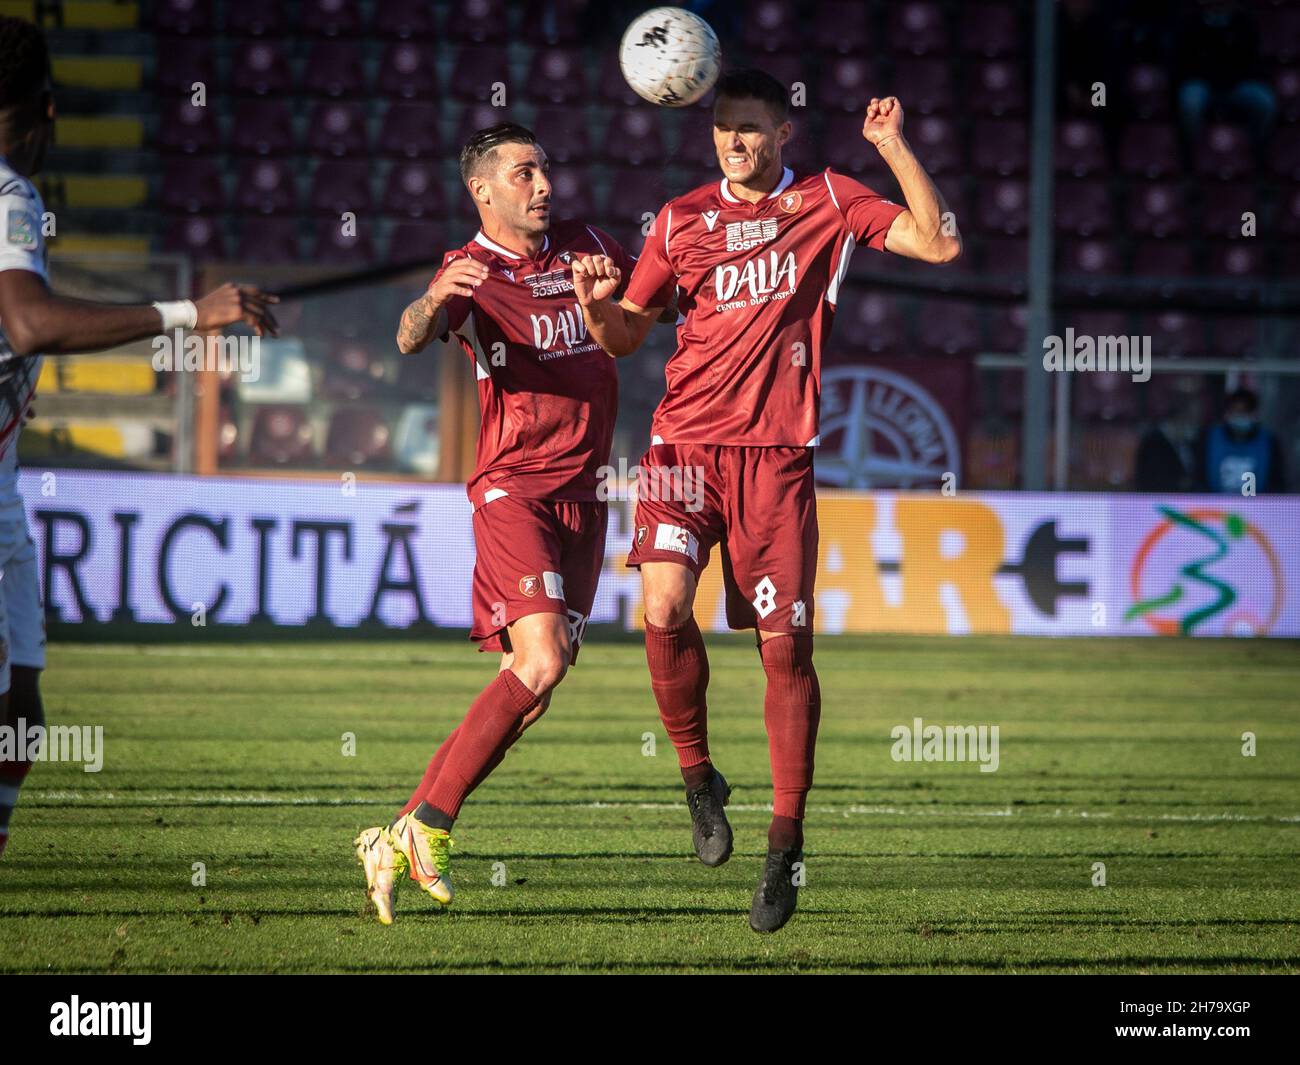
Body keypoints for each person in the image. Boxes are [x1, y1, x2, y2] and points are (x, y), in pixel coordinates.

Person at [571, 69, 961, 932]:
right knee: (663, 603)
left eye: (750, 129)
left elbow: (938, 244)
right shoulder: (678, 220)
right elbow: (630, 333)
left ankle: (785, 844)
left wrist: (892, 148)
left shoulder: (827, 198)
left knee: (784, 655)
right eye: (722, 129)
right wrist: (599, 312)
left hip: (776, 460)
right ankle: (699, 778)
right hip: (681, 445)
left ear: (784, 135)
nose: (734, 143)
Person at [0, 15, 277, 859]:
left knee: (21, 705)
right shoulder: (11, 194)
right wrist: (192, 313)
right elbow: (28, 319)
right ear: (46, 109)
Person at [353, 123, 639, 924]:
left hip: (587, 496)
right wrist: (431, 302)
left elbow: (643, 319)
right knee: (540, 662)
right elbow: (409, 337)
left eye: (545, 169)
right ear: (484, 190)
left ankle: (401, 831)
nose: (543, 185)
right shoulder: (467, 270)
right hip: (514, 488)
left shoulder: (586, 244)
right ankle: (431, 827)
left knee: (534, 686)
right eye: (523, 173)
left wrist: (610, 294)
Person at [1197, 387, 1286, 494]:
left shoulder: (1269, 442)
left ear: (1254, 414)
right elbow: (1198, 477)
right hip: (1214, 507)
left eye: (1244, 412)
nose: (1239, 416)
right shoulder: (1209, 439)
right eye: (1235, 411)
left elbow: (1277, 482)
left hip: (1258, 507)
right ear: (1227, 413)